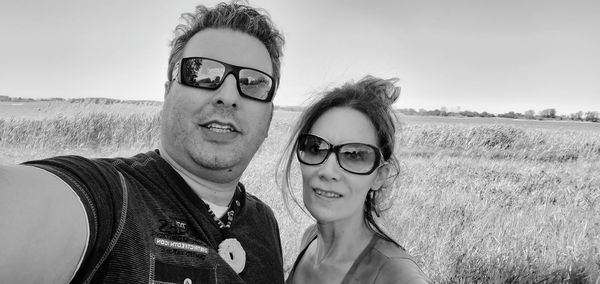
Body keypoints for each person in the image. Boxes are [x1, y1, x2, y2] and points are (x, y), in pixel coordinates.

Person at [0, 2, 285, 283]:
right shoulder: (113, 199)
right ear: (167, 92)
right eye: (202, 74)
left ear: (269, 118)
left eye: (253, 83)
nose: (228, 95)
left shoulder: (265, 222)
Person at [278, 76, 431, 283]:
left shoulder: (397, 276)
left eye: (354, 155)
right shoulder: (310, 239)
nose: (328, 170)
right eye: (315, 148)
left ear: (379, 176)